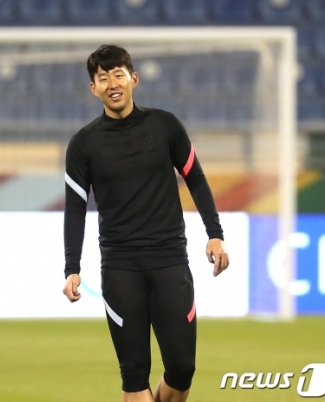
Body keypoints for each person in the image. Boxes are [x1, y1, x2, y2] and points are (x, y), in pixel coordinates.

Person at [62, 45, 230, 402]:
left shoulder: (165, 125)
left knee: (182, 369)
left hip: (170, 261)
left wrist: (214, 234)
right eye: (103, 78)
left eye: (118, 75)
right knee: (134, 376)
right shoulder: (83, 144)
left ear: (133, 79)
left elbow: (196, 179)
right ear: (93, 88)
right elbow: (75, 209)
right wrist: (71, 267)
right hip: (120, 268)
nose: (112, 84)